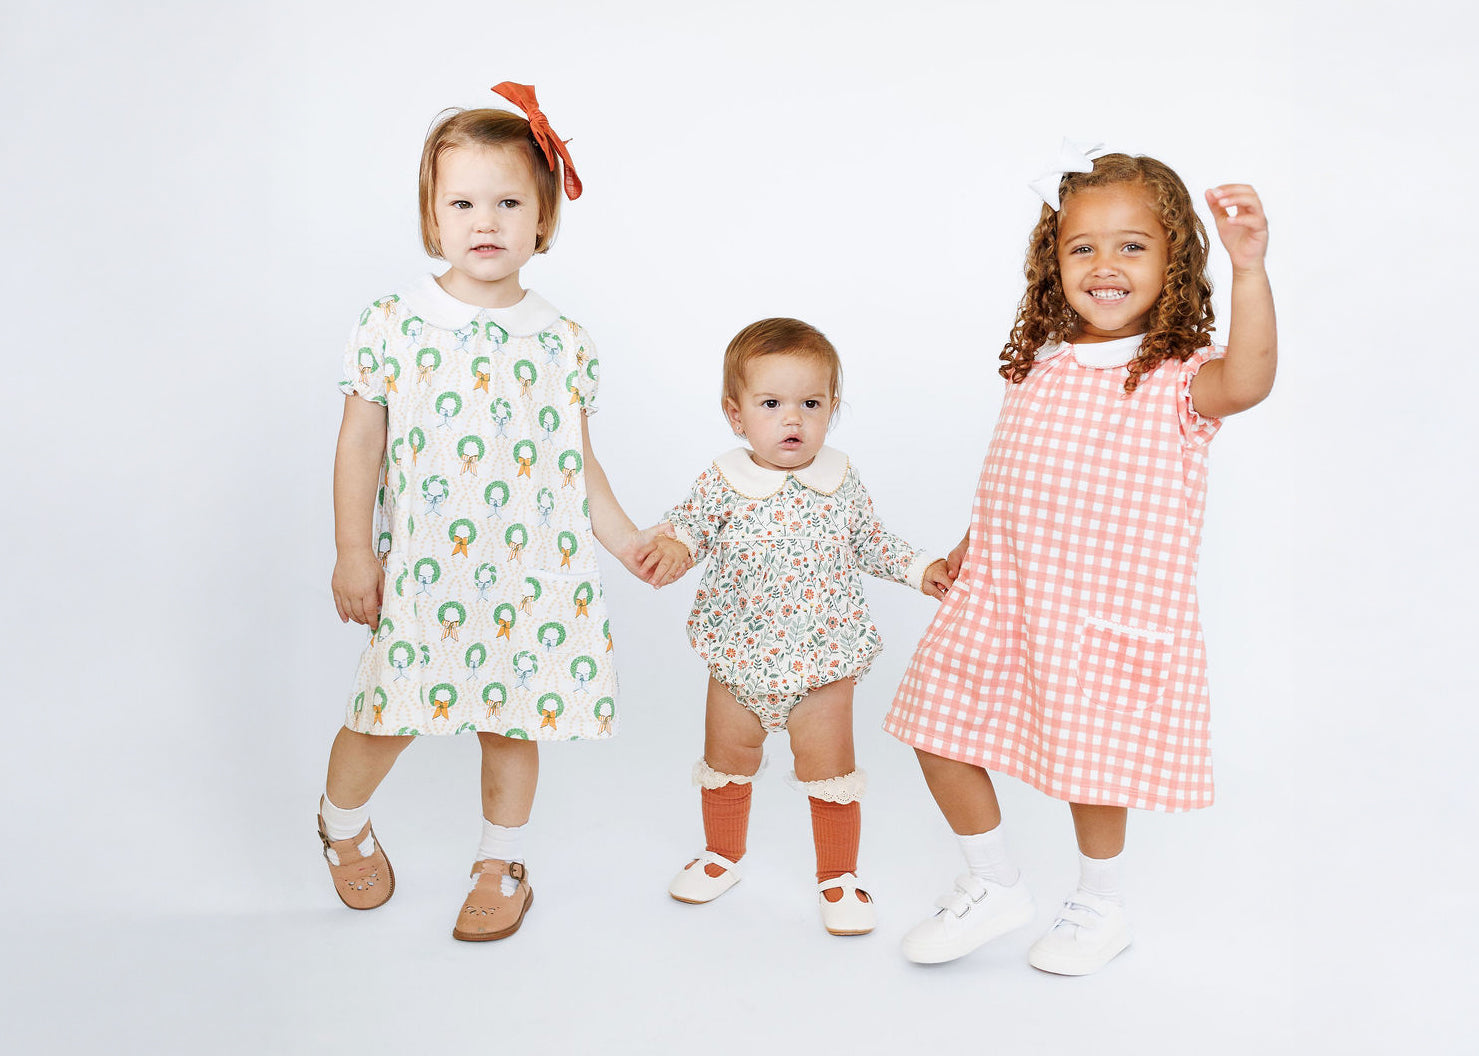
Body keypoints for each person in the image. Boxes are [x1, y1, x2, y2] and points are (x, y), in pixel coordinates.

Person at [884, 145, 1276, 974]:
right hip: (1003, 596)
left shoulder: (1179, 380)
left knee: (1092, 764)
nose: (1104, 265)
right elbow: (1015, 476)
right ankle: (993, 882)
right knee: (933, 726)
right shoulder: (1039, 365)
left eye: (1131, 246)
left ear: (1174, 261)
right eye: (1082, 246)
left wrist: (1248, 269)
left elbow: (1247, 382)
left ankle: (1100, 904)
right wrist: (968, 546)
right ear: (1052, 262)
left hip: (1104, 609)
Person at [316, 83, 683, 942]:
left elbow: (575, 462)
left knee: (516, 723)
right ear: (432, 216)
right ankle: (340, 822)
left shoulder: (562, 340)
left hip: (530, 576)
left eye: (509, 202)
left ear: (543, 217)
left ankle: (501, 860)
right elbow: (359, 445)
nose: (486, 221)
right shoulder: (394, 324)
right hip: (426, 571)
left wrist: (627, 540)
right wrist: (353, 552)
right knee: (384, 716)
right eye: (463, 203)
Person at [654, 318, 952, 935]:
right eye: (771, 404)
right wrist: (674, 548)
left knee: (830, 770)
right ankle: (722, 854)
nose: (792, 419)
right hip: (740, 655)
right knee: (727, 759)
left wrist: (922, 568)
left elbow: (870, 542)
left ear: (831, 409)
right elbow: (690, 527)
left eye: (810, 404)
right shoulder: (724, 479)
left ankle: (838, 876)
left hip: (823, 657)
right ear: (736, 415)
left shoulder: (839, 478)